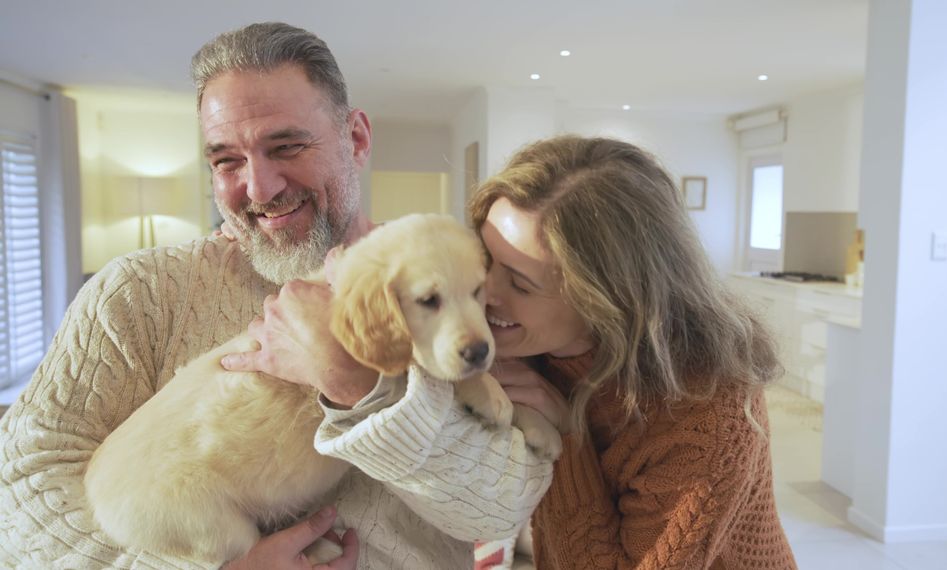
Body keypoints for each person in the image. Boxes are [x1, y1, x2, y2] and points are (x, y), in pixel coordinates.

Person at [0, 22, 552, 569]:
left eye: (286, 146)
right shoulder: (137, 293)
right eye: (225, 160)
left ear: (355, 138)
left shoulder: (465, 295)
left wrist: (358, 385)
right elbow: (21, 489)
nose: (259, 188)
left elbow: (504, 510)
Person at [470, 136, 799, 569]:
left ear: (605, 298)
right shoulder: (524, 347)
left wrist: (566, 437)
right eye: (485, 258)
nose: (485, 289)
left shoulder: (706, 413)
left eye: (519, 282)